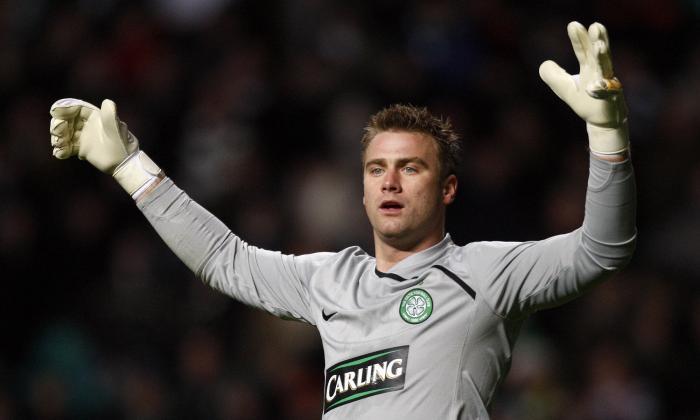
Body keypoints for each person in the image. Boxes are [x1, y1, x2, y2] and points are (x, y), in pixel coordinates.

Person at [49, 21, 636, 419]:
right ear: (362, 189)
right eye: (377, 168)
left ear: (448, 188)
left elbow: (601, 249)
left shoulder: (486, 273)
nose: (390, 181)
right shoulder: (330, 281)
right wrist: (130, 166)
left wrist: (606, 132)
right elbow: (226, 261)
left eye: (410, 168)